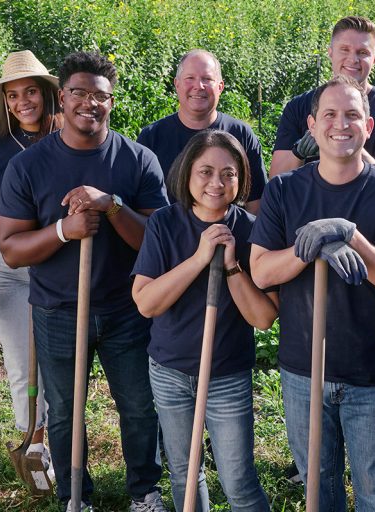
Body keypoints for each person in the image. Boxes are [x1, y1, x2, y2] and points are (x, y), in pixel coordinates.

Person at [0, 51, 170, 512]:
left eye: (100, 95)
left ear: (111, 102)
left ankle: (144, 492)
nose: (88, 103)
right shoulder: (29, 166)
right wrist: (62, 231)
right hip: (57, 310)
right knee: (66, 413)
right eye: (78, 92)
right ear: (62, 97)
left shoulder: (137, 160)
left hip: (127, 308)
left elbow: (157, 240)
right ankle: (77, 497)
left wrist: (111, 205)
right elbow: (11, 248)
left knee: (137, 407)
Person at [249, 75, 375, 511]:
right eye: (329, 114)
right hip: (302, 369)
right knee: (316, 485)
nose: (339, 124)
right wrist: (309, 249)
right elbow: (261, 270)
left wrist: (351, 236)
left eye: (352, 115)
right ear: (311, 125)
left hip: (371, 372)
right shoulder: (285, 190)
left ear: (368, 126)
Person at [132, 130, 275, 511]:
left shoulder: (252, 229)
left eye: (228, 174)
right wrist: (198, 258)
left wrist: (230, 266)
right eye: (206, 171)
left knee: (239, 480)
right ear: (187, 173)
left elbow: (263, 318)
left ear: (242, 179)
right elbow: (146, 303)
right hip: (170, 371)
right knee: (184, 473)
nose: (216, 183)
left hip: (226, 375)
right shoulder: (164, 223)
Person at [0, 49, 60, 475]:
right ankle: (34, 442)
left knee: (57, 357)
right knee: (20, 358)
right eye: (12, 95)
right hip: (7, 265)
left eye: (30, 92)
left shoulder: (67, 137)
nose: (22, 101)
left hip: (58, 259)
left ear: (45, 93)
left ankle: (58, 435)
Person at [267, 15, 375, 179]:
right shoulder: (298, 106)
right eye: (344, 49)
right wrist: (298, 153)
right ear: (330, 53)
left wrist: (347, 141)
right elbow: (275, 179)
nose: (353, 59)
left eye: (363, 52)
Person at [137, 49, 267, 213]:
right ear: (177, 84)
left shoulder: (240, 134)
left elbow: (256, 202)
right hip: (168, 237)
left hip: (229, 235)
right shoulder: (152, 137)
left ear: (220, 87)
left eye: (207, 79)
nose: (198, 86)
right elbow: (141, 207)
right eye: (190, 78)